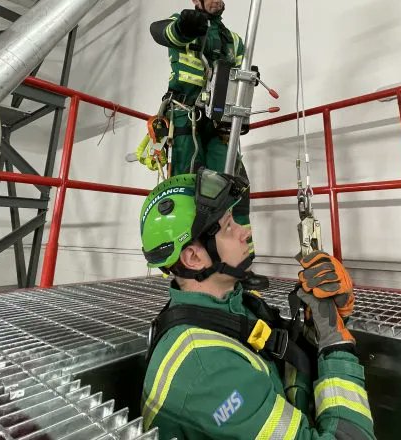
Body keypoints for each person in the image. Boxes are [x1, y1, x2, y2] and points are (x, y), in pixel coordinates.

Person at [138, 168, 376, 439]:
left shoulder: (232, 306)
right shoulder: (208, 370)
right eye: (228, 226)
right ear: (193, 258)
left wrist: (321, 324)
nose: (244, 231)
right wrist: (336, 345)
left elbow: (281, 370)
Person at [150, 0, 261, 286]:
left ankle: (240, 265)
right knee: (186, 190)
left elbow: (242, 78)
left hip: (222, 126)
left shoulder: (233, 40)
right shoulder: (183, 27)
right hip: (187, 123)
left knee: (235, 188)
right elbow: (161, 31)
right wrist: (184, 26)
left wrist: (243, 108)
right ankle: (185, 267)